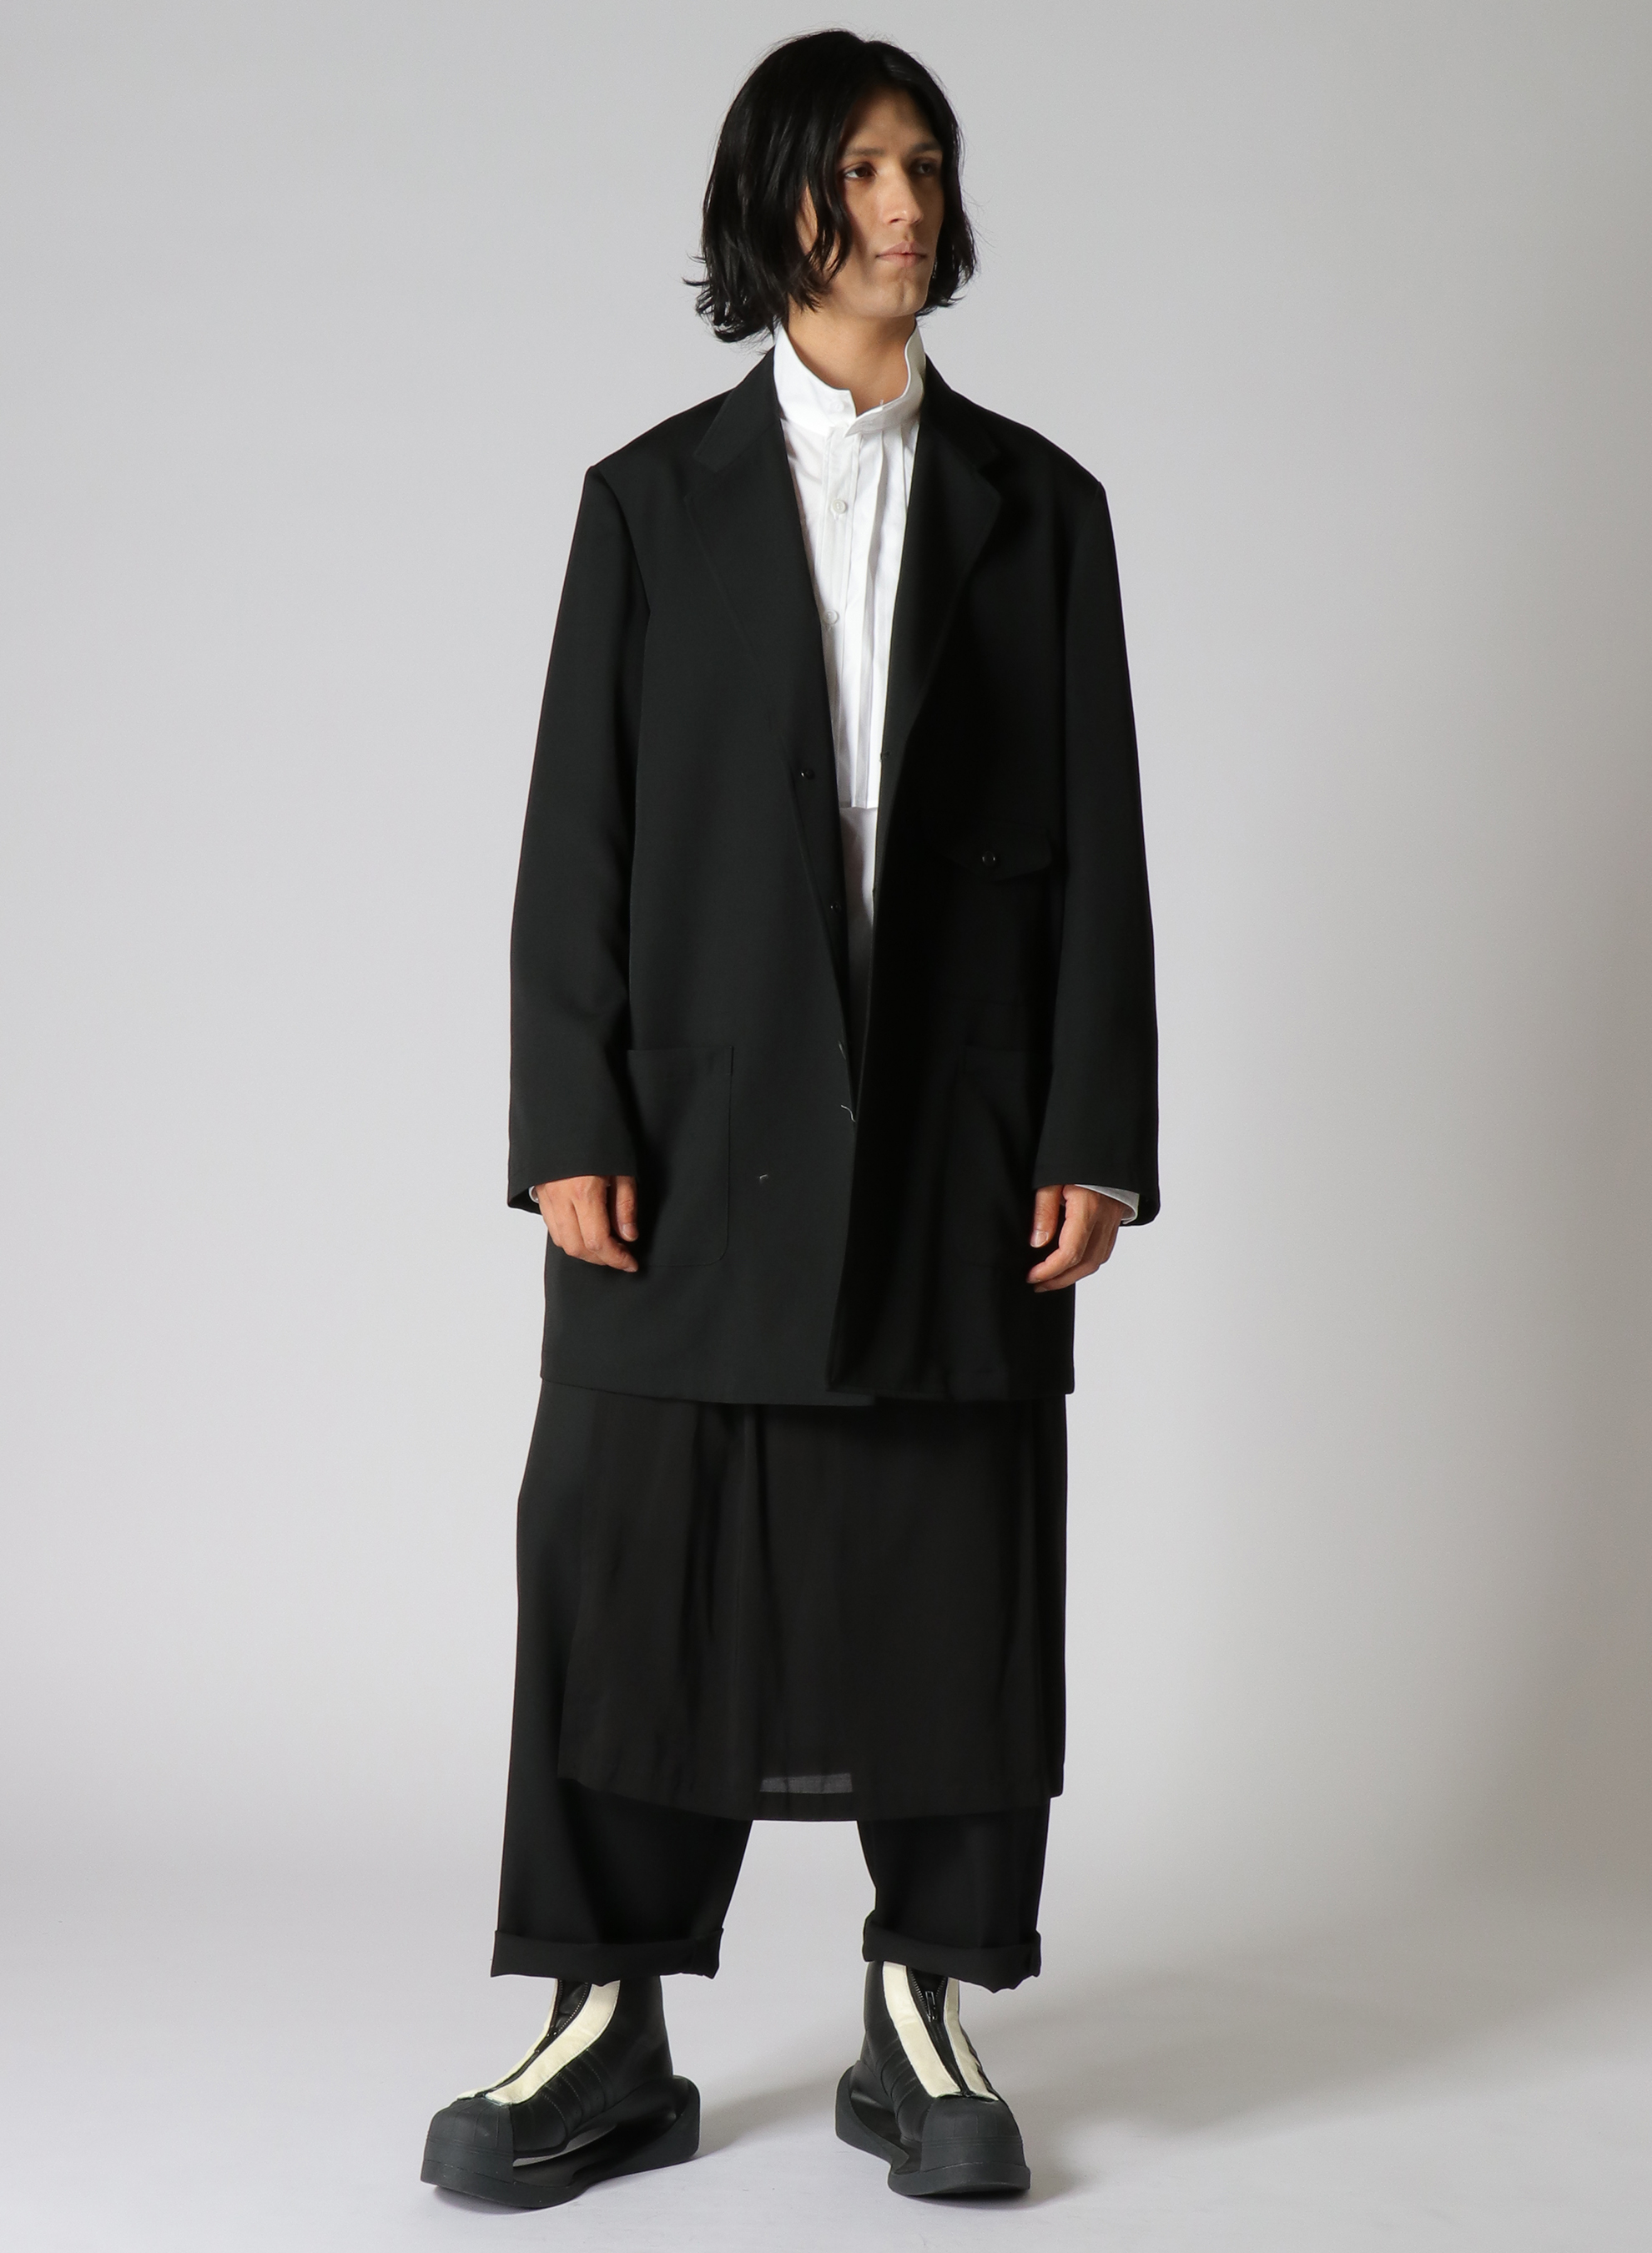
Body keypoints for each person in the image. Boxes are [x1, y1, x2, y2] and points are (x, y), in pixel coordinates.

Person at [421, 28, 1157, 2210]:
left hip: (960, 1132)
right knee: (624, 1556)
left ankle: (926, 2001)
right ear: (777, 205)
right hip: (688, 1130)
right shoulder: (648, 505)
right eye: (859, 171)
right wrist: (569, 1110)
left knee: (952, 1554)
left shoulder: (1042, 510)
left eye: (924, 164)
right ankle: (601, 2018)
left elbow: (1104, 848)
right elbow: (576, 836)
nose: (905, 205)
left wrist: (1092, 1128)